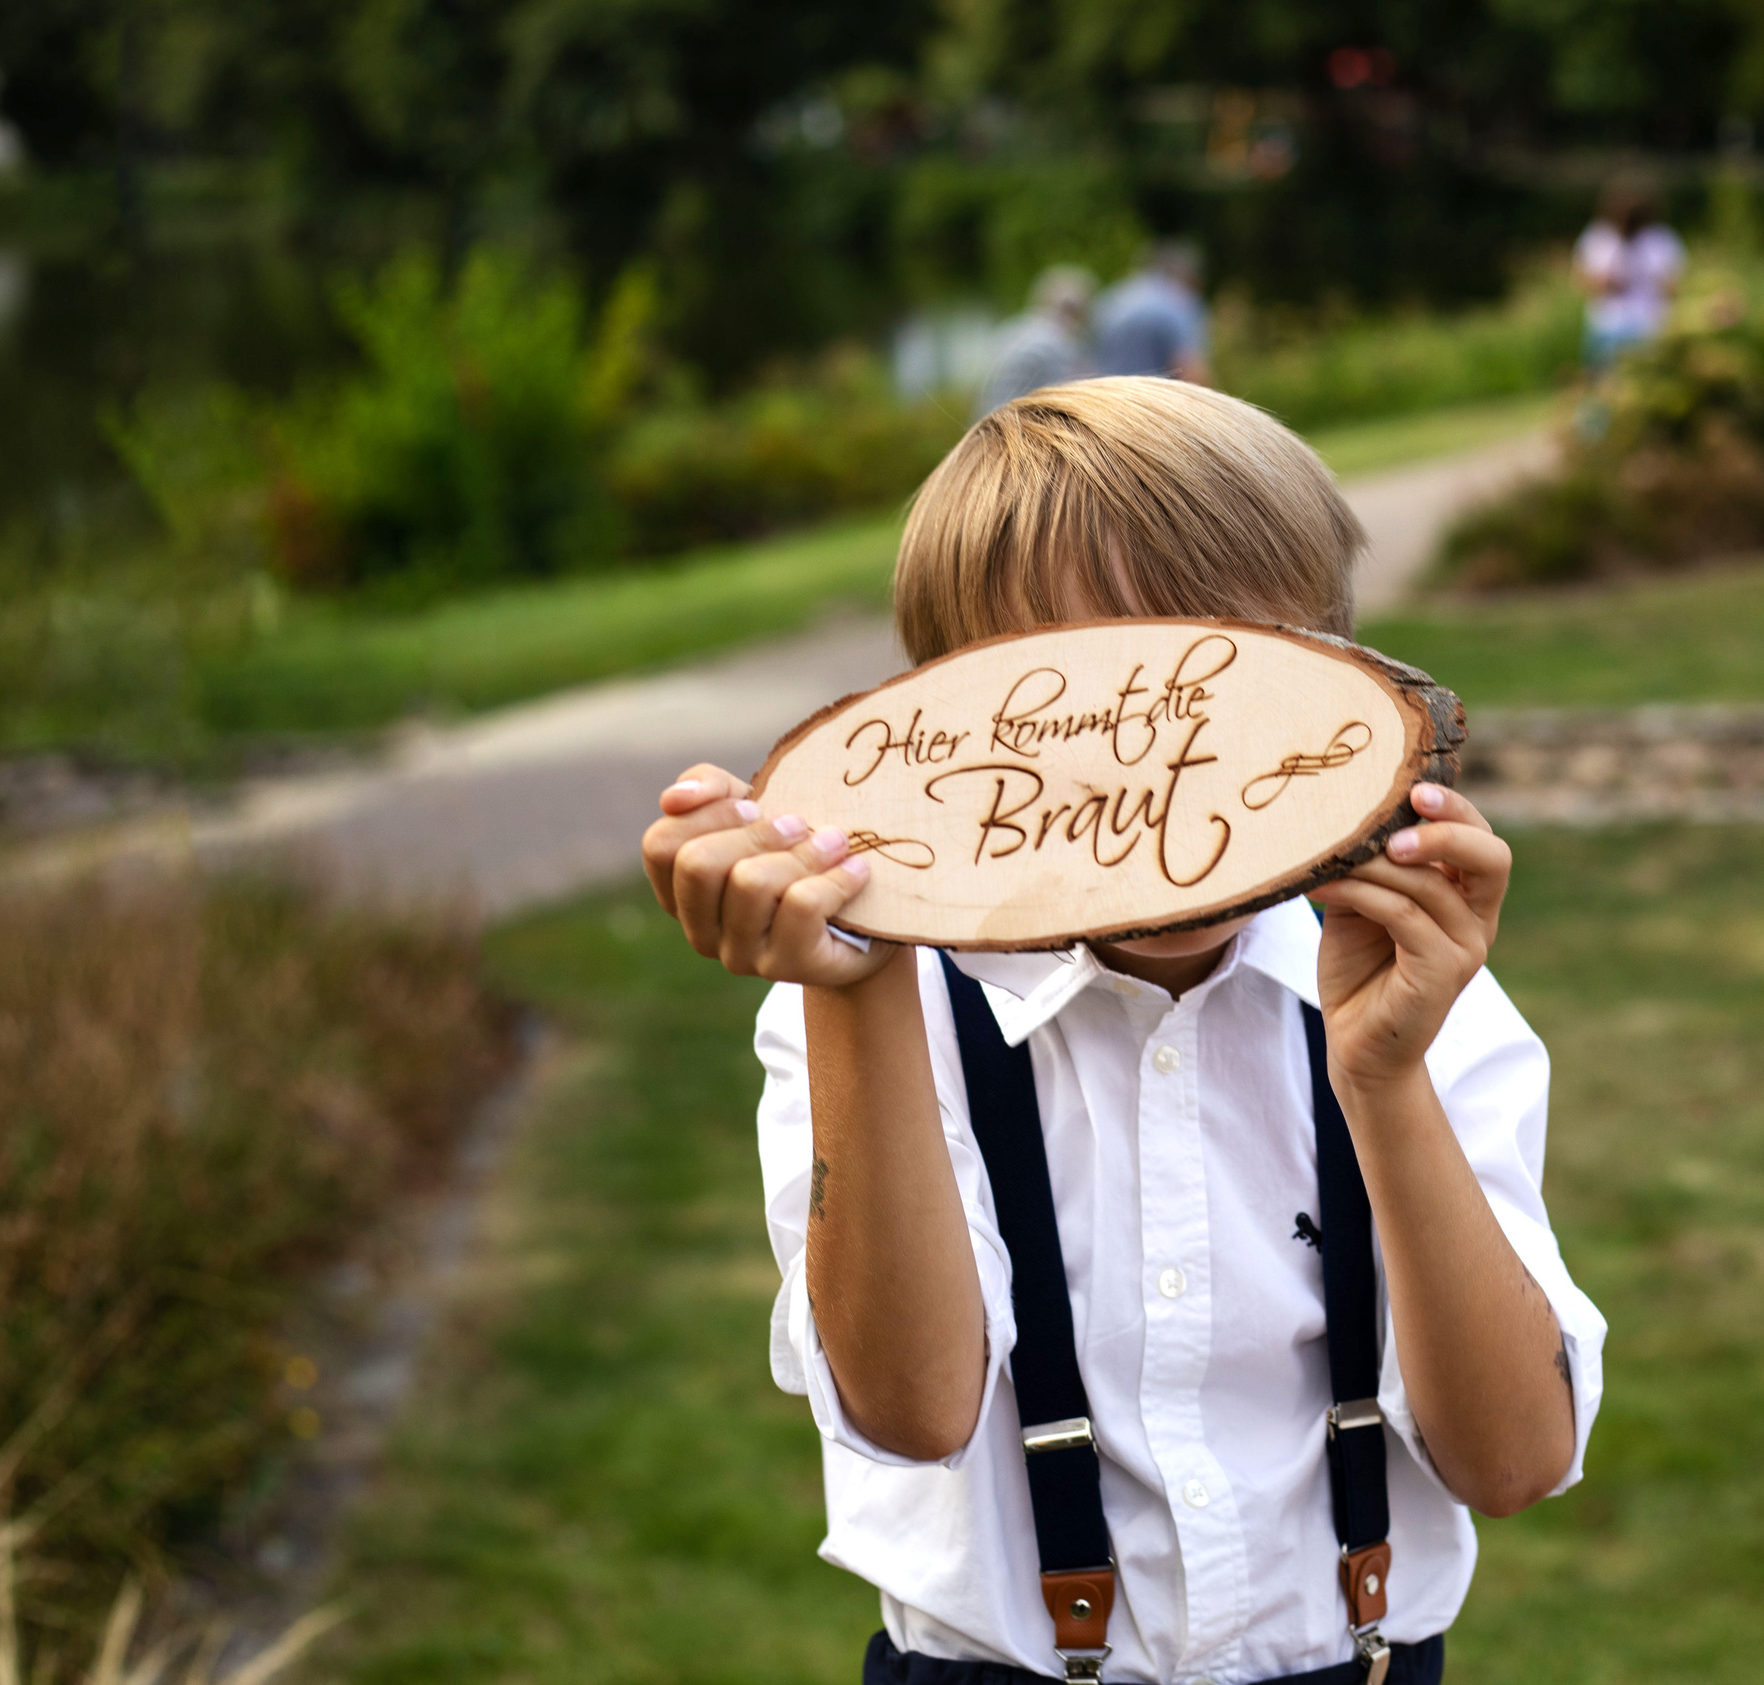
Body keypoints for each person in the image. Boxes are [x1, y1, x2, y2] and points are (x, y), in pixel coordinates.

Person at [639, 378, 1604, 1685]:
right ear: (951, 735)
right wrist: (852, 991)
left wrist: (1384, 1081)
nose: (1154, 780)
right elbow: (913, 1409)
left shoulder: (1417, 994)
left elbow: (1514, 1456)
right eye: (1085, 718)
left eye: (1208, 696)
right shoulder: (880, 998)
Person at [1574, 180, 1686, 374]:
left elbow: (1673, 287)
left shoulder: (1659, 239)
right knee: (1601, 384)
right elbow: (1581, 278)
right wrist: (1605, 283)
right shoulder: (1599, 236)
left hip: (1649, 326)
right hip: (1607, 325)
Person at [981, 266, 1099, 415]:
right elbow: (1069, 396)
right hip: (1016, 426)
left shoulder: (1010, 329)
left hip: (985, 424)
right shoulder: (1055, 341)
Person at [1094, 241, 1214, 386]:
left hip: (1107, 398)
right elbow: (1190, 369)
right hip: (1154, 403)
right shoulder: (1178, 301)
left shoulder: (1111, 298)